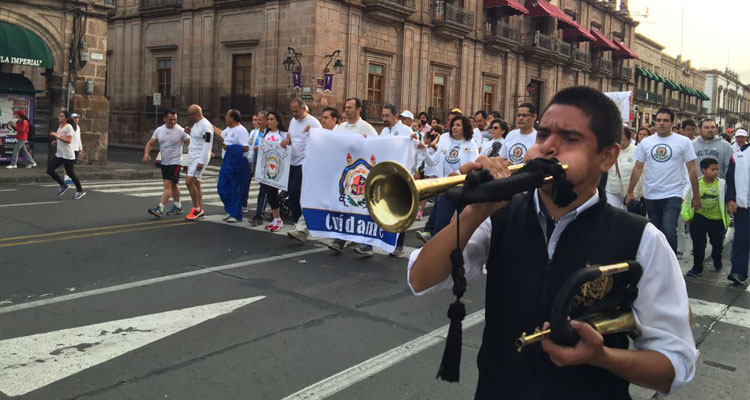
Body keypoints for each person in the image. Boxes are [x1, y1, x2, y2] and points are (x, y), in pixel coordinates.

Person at [408, 86, 697, 399]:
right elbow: (420, 280)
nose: (547, 147)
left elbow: (674, 367)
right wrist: (477, 209)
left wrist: (603, 358)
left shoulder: (642, 238)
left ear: (607, 156)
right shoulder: (498, 215)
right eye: (542, 135)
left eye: (569, 139)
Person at [626, 107, 701, 252]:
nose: (661, 123)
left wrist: (695, 196)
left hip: (673, 194)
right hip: (651, 194)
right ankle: (657, 264)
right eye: (659, 120)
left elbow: (692, 170)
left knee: (668, 230)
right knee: (655, 233)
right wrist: (630, 192)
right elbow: (637, 168)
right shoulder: (646, 142)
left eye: (665, 120)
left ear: (673, 123)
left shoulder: (684, 142)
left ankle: (670, 266)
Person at [329, 98, 378, 256]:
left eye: (350, 107)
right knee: (344, 205)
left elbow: (378, 148)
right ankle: (340, 239)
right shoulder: (340, 128)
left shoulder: (367, 128)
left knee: (362, 208)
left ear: (358, 110)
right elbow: (330, 143)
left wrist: (367, 143)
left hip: (360, 176)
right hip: (344, 175)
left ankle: (367, 245)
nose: (347, 110)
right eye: (345, 107)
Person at [417, 115, 479, 236]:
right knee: (440, 223)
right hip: (446, 189)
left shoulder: (471, 144)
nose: (454, 127)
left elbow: (474, 164)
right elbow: (432, 162)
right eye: (453, 125)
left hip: (463, 189)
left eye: (458, 125)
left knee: (463, 225)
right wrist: (423, 150)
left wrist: (459, 173)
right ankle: (436, 249)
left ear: (465, 128)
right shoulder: (445, 141)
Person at [682, 158, 728, 277]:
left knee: (717, 244)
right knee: (698, 244)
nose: (716, 172)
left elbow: (727, 201)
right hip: (699, 217)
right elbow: (686, 201)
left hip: (717, 220)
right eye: (712, 169)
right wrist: (687, 216)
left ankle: (717, 258)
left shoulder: (722, 184)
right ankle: (697, 267)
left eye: (717, 169)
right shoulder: (695, 183)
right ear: (703, 170)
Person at [285, 99, 322, 238]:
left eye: (296, 111)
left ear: (304, 109)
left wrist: (312, 132)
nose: (294, 114)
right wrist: (286, 141)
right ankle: (297, 221)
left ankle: (302, 223)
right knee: (291, 192)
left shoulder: (313, 122)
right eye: (292, 111)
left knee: (295, 191)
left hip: (305, 161)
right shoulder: (292, 121)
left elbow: (320, 139)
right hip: (292, 161)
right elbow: (290, 137)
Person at [142, 109, 189, 217]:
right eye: (170, 120)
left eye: (175, 120)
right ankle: (178, 206)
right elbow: (150, 143)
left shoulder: (181, 131)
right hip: (165, 162)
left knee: (167, 184)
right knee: (173, 185)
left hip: (176, 161)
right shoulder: (159, 130)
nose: (172, 122)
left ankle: (160, 208)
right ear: (164, 119)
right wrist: (146, 153)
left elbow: (191, 143)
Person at [217, 109, 251, 223]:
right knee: (222, 187)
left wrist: (229, 148)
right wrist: (205, 122)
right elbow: (220, 133)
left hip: (237, 163)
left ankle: (236, 214)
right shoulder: (228, 129)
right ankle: (230, 210)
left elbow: (246, 147)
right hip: (226, 162)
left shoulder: (241, 131)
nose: (225, 118)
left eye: (227, 116)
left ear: (232, 118)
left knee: (235, 189)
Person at [258, 111, 289, 232]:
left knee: (273, 192)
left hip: (278, 168)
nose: (269, 121)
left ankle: (278, 218)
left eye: (272, 119)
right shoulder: (266, 133)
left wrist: (286, 144)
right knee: (269, 193)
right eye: (268, 119)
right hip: (267, 168)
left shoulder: (283, 134)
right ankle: (276, 218)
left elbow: (288, 149)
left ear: (278, 121)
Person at [725, 138, 750, 284]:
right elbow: (730, 179)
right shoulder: (739, 155)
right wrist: (731, 199)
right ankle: (738, 272)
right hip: (744, 205)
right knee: (741, 238)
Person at [184, 104, 215, 220]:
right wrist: (190, 132)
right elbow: (199, 139)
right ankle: (199, 208)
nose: (189, 117)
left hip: (199, 159)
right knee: (196, 183)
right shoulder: (197, 124)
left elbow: (207, 145)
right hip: (193, 157)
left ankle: (196, 208)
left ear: (196, 114)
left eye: (190, 115)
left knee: (189, 182)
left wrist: (201, 162)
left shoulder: (206, 126)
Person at [47, 111, 86, 200]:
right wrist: (57, 141)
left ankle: (80, 191)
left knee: (70, 173)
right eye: (59, 116)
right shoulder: (61, 126)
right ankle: (63, 185)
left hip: (68, 155)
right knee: (50, 170)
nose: (59, 117)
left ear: (66, 118)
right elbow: (63, 138)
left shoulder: (69, 127)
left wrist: (56, 136)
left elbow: (69, 141)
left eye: (61, 116)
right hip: (60, 154)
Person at [605, 126, 643, 210]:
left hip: (632, 191)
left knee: (629, 217)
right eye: (618, 140)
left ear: (630, 139)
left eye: (624, 140)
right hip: (613, 189)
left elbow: (642, 171)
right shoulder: (609, 151)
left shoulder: (637, 151)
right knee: (614, 214)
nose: (621, 143)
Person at [249, 111, 270, 226]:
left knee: (265, 191)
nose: (258, 122)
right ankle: (260, 214)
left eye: (260, 120)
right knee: (264, 191)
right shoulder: (257, 132)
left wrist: (261, 148)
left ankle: (260, 215)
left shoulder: (273, 133)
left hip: (270, 166)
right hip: (258, 164)